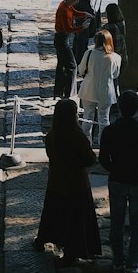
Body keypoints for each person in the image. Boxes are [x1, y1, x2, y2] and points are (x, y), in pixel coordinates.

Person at [99, 90, 138, 273]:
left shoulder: (109, 131)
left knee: (116, 223)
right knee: (137, 224)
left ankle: (117, 262)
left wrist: (115, 168)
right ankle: (132, 265)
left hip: (117, 180)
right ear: (136, 109)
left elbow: (103, 160)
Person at [33, 98, 101, 263]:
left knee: (53, 213)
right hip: (76, 184)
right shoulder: (78, 136)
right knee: (75, 218)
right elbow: (90, 159)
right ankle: (73, 250)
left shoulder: (51, 136)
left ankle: (44, 240)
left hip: (56, 181)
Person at [77, 27, 121, 146]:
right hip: (106, 91)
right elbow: (115, 75)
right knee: (104, 119)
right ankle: (104, 144)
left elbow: (81, 70)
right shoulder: (116, 58)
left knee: (87, 117)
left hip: (88, 89)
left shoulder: (89, 53)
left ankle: (85, 144)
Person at [53, 0, 91, 100]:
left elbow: (74, 12)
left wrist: (85, 14)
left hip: (62, 38)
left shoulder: (66, 5)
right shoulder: (63, 9)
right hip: (62, 39)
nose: (77, 2)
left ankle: (58, 92)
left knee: (61, 65)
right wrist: (82, 27)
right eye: (77, 0)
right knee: (72, 66)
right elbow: (68, 29)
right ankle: (69, 93)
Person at [68, 0, 102, 64]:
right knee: (83, 39)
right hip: (83, 13)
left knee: (78, 38)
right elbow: (86, 1)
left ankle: (75, 59)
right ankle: (81, 61)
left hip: (76, 11)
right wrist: (92, 15)